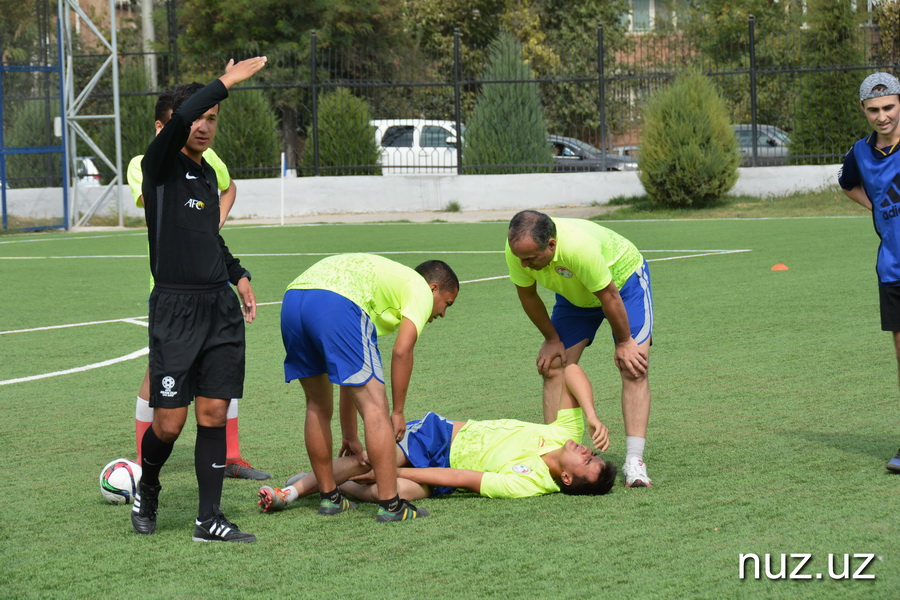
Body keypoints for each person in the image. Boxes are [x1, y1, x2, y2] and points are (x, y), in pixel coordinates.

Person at [130, 56, 268, 543]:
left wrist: (237, 274)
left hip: (219, 309)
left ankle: (208, 519)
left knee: (213, 413)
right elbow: (183, 119)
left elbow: (207, 235)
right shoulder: (158, 166)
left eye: (212, 119)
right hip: (175, 309)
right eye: (199, 117)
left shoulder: (208, 175)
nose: (206, 126)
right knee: (168, 424)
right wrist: (227, 82)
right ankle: (147, 485)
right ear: (176, 124)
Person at [256, 364, 617, 511]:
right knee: (367, 464)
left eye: (587, 460)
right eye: (592, 453)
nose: (586, 449)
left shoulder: (529, 484)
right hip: (437, 437)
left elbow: (459, 478)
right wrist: (592, 415)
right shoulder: (564, 432)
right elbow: (570, 369)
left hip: (444, 473)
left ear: (567, 478)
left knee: (390, 490)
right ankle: (289, 493)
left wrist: (396, 477)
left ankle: (322, 483)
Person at [279, 253, 459, 521]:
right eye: (447, 303)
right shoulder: (420, 288)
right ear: (433, 287)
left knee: (316, 405)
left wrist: (350, 434)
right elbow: (402, 351)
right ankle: (391, 505)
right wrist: (398, 411)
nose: (443, 313)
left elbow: (348, 378)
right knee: (376, 408)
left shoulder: (386, 292)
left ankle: (330, 499)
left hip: (294, 299)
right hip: (338, 302)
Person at [505, 210, 654, 487]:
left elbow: (608, 295)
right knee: (553, 365)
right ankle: (556, 454)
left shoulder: (578, 248)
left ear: (551, 245)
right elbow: (527, 295)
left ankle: (635, 462)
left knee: (633, 365)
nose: (524, 265)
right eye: (520, 258)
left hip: (622, 285)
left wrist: (624, 343)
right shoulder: (518, 250)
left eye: (530, 259)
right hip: (576, 295)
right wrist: (551, 339)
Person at [838, 71, 900, 473]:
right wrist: (878, 207)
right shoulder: (859, 154)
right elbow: (847, 185)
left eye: (890, 107)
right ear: (863, 110)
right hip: (893, 268)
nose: (883, 116)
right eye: (874, 110)